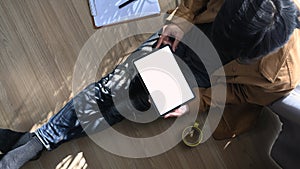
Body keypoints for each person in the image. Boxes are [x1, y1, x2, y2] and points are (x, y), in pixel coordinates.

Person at [1, 0, 300, 168]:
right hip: (182, 37)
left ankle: (31, 143)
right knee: (112, 88)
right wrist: (180, 19)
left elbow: (243, 93)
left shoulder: (283, 75)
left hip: (205, 79)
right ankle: (36, 144)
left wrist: (198, 100)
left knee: (130, 104)